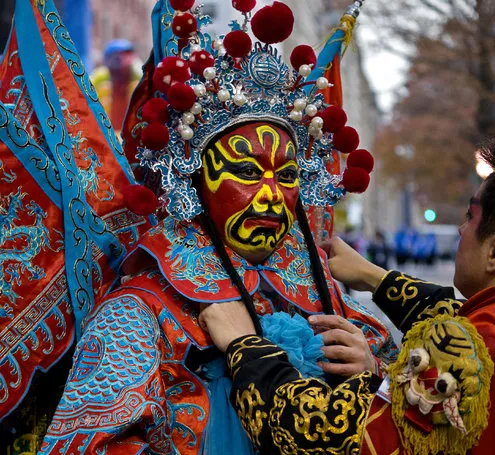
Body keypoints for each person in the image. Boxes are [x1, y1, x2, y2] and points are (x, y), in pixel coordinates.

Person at [0, 1, 397, 454]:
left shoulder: (326, 295)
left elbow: (417, 414)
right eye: (247, 172)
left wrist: (374, 373)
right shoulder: (139, 313)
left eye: (286, 177)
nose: (272, 195)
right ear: (196, 184)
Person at [199, 140, 495, 454]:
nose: (462, 230)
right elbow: (468, 317)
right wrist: (374, 278)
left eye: (470, 217)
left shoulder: (459, 364)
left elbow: (316, 436)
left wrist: (245, 346)